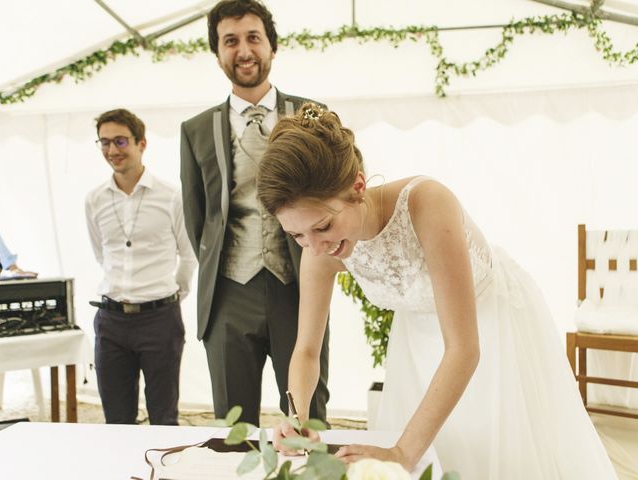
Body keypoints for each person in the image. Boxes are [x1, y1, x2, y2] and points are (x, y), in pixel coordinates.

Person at [260, 104, 618, 479]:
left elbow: (464, 348)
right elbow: (306, 350)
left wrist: (401, 451)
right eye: (296, 235)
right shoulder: (319, 254)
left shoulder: (426, 203)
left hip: (490, 330)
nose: (314, 246)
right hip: (416, 349)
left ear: (358, 187)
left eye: (323, 227)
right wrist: (297, 417)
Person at [179, 0, 329, 426]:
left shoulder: (310, 114)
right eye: (230, 41)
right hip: (228, 294)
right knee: (233, 425)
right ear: (218, 54)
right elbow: (197, 219)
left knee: (306, 418)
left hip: (297, 288)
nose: (243, 50)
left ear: (271, 47)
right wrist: (223, 267)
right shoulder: (195, 130)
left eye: (252, 38)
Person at [85, 108, 196, 425]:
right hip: (111, 321)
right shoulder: (94, 200)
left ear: (141, 143)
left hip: (160, 320)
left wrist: (167, 295)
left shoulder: (171, 196)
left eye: (120, 141)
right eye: (104, 142)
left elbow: (188, 255)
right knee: (117, 420)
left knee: (164, 417)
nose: (111, 151)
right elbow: (100, 254)